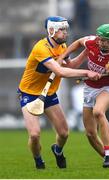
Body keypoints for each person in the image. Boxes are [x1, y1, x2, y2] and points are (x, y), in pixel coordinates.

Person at [17, 16, 101, 169]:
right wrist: (87, 73)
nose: (65, 33)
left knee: (63, 133)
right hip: (29, 94)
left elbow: (72, 65)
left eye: (65, 29)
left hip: (49, 94)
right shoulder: (40, 48)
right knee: (35, 134)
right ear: (51, 31)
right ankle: (38, 160)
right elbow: (60, 71)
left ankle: (58, 150)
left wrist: (87, 52)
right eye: (61, 30)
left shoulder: (62, 47)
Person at [58, 23, 109, 168]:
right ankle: (108, 158)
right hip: (90, 87)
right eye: (100, 39)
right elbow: (78, 42)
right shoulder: (93, 42)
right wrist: (63, 57)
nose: (101, 42)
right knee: (90, 133)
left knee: (98, 111)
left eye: (105, 40)